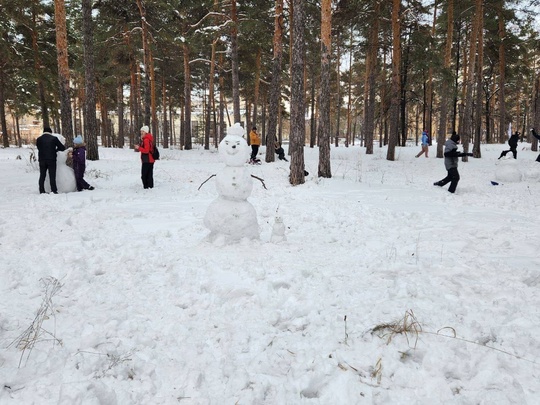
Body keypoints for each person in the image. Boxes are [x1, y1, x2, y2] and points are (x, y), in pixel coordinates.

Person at [36, 126, 66, 194]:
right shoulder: (54, 138)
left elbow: (38, 148)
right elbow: (62, 148)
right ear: (50, 132)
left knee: (42, 175)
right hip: (51, 159)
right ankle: (54, 190)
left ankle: (41, 190)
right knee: (52, 175)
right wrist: (55, 150)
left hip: (42, 159)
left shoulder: (39, 139)